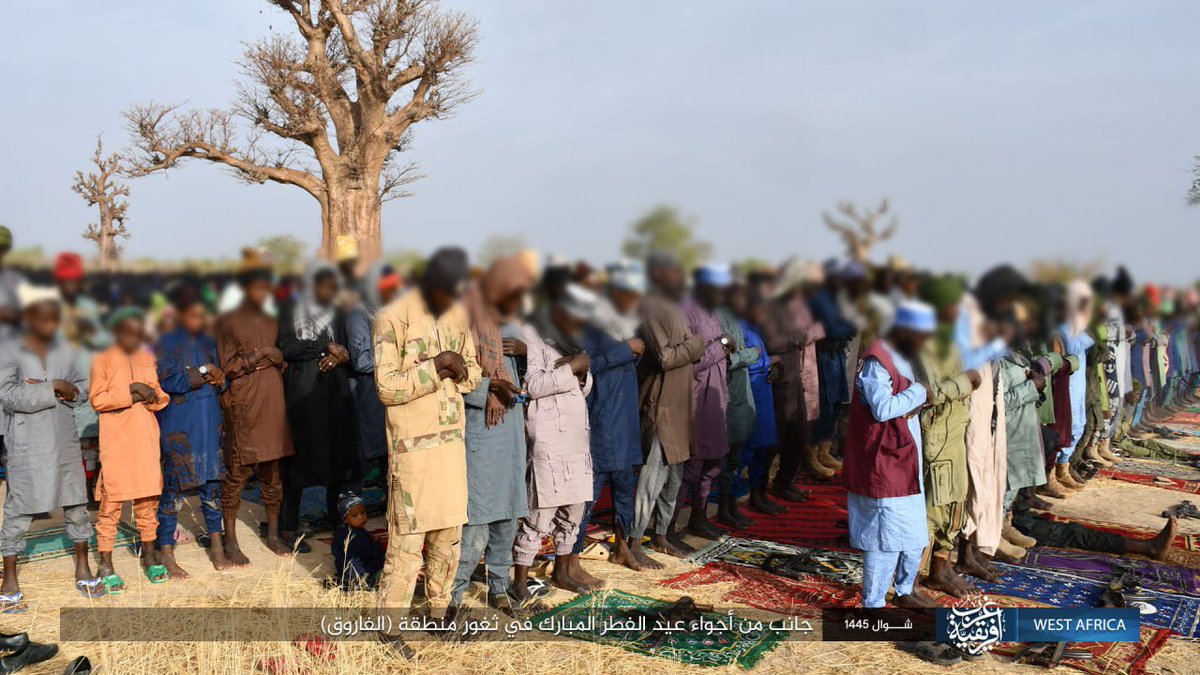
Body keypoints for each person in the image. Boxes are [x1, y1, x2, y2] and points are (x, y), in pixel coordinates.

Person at [374, 247, 481, 658]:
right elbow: (386, 387)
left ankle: (439, 616)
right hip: (413, 450)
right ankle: (389, 630)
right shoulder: (392, 316)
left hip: (451, 445)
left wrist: (460, 368)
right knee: (407, 542)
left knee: (448, 537)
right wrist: (436, 366)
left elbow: (473, 375)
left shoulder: (458, 315)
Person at [0, 284, 101, 608]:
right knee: (19, 508)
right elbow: (8, 394)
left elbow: (82, 386)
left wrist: (72, 392)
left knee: (75, 503)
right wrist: (51, 388)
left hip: (63, 437)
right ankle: (10, 578)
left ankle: (83, 565)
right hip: (27, 442)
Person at [451, 255, 534, 614]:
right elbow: (451, 380)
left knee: (507, 520)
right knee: (476, 524)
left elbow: (530, 376)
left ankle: (498, 587)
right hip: (480, 435)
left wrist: (528, 355)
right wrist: (489, 387)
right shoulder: (462, 322)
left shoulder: (512, 326)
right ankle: (452, 598)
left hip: (510, 434)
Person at [843, 300, 936, 610]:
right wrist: (920, 393)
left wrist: (918, 394)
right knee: (883, 539)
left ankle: (904, 589)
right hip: (883, 463)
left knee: (912, 534)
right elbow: (882, 409)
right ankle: (872, 604)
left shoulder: (904, 355)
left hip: (903, 458)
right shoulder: (877, 360)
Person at [512, 284, 598, 598]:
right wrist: (573, 368)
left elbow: (585, 386)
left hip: (575, 436)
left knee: (573, 511)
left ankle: (563, 572)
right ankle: (519, 584)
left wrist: (580, 372)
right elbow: (532, 386)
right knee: (540, 514)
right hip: (549, 437)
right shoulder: (530, 334)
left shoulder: (570, 338)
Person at [216, 250, 294, 564]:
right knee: (238, 471)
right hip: (245, 398)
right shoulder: (228, 318)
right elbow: (225, 367)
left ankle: (273, 534)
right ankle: (231, 541)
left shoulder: (274, 315)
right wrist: (262, 353)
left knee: (274, 470)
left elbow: (283, 356)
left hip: (273, 394)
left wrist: (275, 356)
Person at [630, 252, 707, 568]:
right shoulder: (650, 308)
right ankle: (635, 541)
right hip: (660, 405)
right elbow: (664, 358)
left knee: (674, 476)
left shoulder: (673, 308)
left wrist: (691, 348)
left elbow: (681, 351)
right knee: (652, 477)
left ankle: (662, 533)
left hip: (680, 406)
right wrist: (696, 346)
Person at [90, 307, 171, 590]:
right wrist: (132, 389)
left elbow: (160, 397)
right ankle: (105, 561)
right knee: (112, 501)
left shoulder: (146, 355)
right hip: (117, 439)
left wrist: (151, 395)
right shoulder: (102, 357)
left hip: (146, 436)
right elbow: (98, 400)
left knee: (148, 500)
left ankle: (149, 556)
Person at [572, 260, 645, 573]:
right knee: (588, 496)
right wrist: (626, 350)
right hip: (602, 421)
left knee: (625, 487)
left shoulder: (624, 323)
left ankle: (622, 547)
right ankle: (570, 559)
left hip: (626, 418)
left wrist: (631, 350)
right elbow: (586, 364)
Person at [913, 276, 980, 597]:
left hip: (955, 430)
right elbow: (928, 393)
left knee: (954, 501)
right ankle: (908, 581)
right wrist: (968, 381)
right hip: (936, 433)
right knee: (932, 508)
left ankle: (940, 569)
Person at [278, 261, 353, 544]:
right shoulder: (290, 309)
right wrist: (323, 347)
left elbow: (346, 347)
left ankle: (338, 523)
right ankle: (288, 528)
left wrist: (338, 354)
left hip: (335, 394)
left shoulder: (338, 312)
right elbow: (286, 347)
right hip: (303, 396)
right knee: (299, 461)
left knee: (337, 459)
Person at [154, 286, 227, 575]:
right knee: (173, 493)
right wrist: (205, 372)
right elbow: (170, 381)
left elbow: (221, 379)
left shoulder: (209, 341)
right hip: (181, 429)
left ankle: (218, 548)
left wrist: (218, 377)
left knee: (213, 488)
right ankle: (166, 553)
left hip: (210, 426)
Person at [677, 264, 736, 540]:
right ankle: (668, 527)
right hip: (695, 400)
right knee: (689, 468)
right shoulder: (685, 310)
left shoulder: (712, 310)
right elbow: (688, 361)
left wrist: (724, 346)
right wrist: (720, 347)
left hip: (716, 398)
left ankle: (698, 518)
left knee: (712, 464)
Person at [761, 258, 827, 491]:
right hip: (781, 377)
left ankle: (786, 480)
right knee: (778, 437)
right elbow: (771, 342)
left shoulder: (799, 304)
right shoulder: (769, 306)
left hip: (800, 374)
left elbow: (818, 329)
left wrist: (798, 336)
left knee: (799, 433)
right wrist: (796, 337)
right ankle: (764, 487)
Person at [345, 262, 402, 481]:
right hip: (367, 395)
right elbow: (361, 362)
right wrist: (398, 363)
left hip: (387, 393)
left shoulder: (387, 313)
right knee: (364, 455)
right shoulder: (359, 316)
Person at [716, 277, 761, 529]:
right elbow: (726, 358)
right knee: (725, 458)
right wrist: (751, 355)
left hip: (740, 397)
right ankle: (723, 508)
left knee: (734, 459)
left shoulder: (733, 317)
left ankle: (730, 505)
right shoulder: (718, 317)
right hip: (726, 397)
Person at [740, 286, 785, 515]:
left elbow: (764, 358)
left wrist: (773, 366)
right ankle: (737, 498)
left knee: (765, 447)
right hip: (750, 392)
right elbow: (742, 361)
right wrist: (771, 361)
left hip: (764, 391)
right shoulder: (740, 329)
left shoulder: (756, 329)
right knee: (748, 449)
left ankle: (760, 494)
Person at [809, 259, 857, 471]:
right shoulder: (819, 298)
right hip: (824, 355)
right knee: (824, 405)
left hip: (837, 353)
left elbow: (853, 324)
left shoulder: (839, 298)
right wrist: (846, 327)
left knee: (836, 403)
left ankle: (824, 451)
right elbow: (834, 328)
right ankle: (812, 456)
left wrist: (846, 327)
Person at [332, 492, 385, 590]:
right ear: (345, 519)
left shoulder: (340, 532)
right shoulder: (359, 534)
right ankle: (362, 581)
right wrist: (377, 545)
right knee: (383, 558)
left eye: (363, 512)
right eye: (355, 516)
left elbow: (335, 551)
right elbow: (369, 552)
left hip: (343, 568)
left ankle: (347, 578)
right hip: (358, 570)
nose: (361, 517)